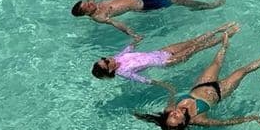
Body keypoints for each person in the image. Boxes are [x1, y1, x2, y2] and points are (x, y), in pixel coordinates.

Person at [134, 35, 260, 130]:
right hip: (220, 91)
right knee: (242, 71)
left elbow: (171, 95)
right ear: (183, 123)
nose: (174, 114)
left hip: (201, 85)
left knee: (216, 62)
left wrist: (167, 86)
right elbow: (222, 123)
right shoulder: (198, 119)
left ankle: (225, 44)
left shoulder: (170, 109)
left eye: (171, 116)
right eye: (176, 118)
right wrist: (248, 119)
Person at [71, 0, 225, 41]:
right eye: (87, 6)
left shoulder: (93, 4)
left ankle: (188, 0)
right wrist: (133, 35)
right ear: (85, 13)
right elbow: (116, 24)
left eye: (88, 3)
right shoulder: (98, 16)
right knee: (175, 0)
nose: (90, 4)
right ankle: (207, 6)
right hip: (143, 5)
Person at [90, 22, 239, 84]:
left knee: (193, 41)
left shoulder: (116, 58)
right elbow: (144, 80)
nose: (108, 58)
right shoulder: (124, 72)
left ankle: (220, 28)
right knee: (198, 48)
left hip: (161, 52)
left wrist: (136, 39)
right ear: (109, 69)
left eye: (104, 58)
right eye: (106, 62)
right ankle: (226, 36)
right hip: (165, 62)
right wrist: (165, 85)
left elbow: (129, 49)